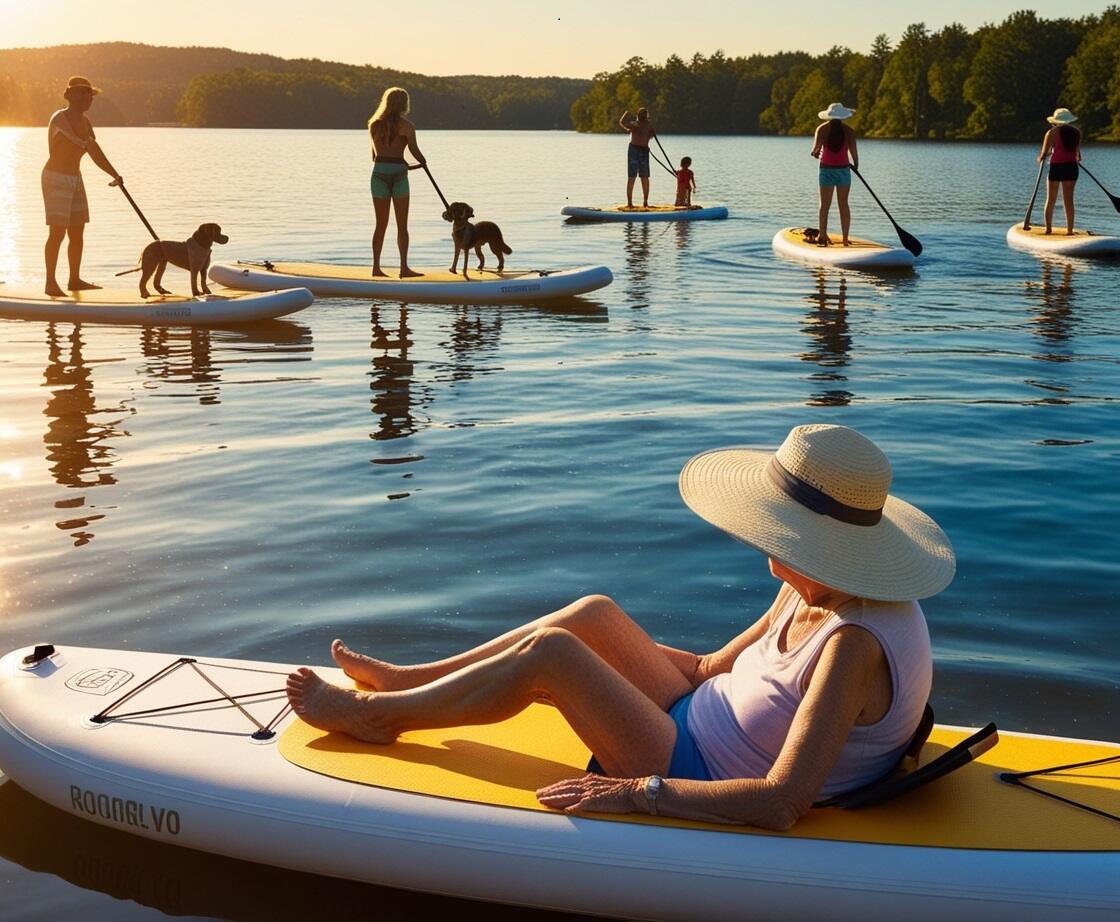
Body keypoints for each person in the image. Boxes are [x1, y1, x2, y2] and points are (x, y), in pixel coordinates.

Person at [287, 423, 955, 831]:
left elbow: (783, 802)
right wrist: (607, 651)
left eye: (779, 529)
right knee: (591, 614)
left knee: (553, 655)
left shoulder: (854, 644)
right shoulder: (822, 586)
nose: (766, 545)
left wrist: (638, 792)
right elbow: (710, 669)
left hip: (695, 766)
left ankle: (382, 718)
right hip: (694, 710)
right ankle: (414, 680)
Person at [42, 76, 122, 296]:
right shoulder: (60, 118)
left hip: (75, 179)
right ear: (69, 95)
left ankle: (74, 280)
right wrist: (92, 147)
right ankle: (50, 282)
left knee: (77, 232)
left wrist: (116, 175)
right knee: (57, 232)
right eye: (81, 93)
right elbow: (86, 144)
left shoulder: (86, 123)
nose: (87, 98)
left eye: (89, 94)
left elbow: (95, 151)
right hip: (55, 178)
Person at [368, 87, 427, 278]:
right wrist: (424, 162)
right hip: (399, 176)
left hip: (378, 174)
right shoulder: (407, 126)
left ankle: (376, 268)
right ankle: (404, 268)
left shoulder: (374, 125)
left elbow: (374, 156)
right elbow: (414, 151)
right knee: (402, 225)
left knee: (381, 224)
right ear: (404, 104)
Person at [811, 103, 859, 247]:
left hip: (826, 171)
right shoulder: (849, 131)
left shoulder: (822, 129)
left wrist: (815, 153)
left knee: (824, 205)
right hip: (843, 171)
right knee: (843, 204)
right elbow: (855, 156)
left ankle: (823, 236)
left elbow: (814, 151)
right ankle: (845, 239)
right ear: (843, 116)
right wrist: (855, 166)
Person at [1038, 108, 1082, 236]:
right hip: (1072, 168)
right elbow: (1078, 156)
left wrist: (1041, 158)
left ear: (1055, 120)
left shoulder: (1051, 133)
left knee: (1050, 199)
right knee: (1069, 200)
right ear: (1069, 120)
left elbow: (1043, 154)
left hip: (1056, 168)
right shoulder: (1077, 133)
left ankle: (1048, 229)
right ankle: (1069, 230)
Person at [618, 108, 656, 209]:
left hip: (637, 150)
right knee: (641, 177)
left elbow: (621, 122)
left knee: (637, 177)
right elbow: (651, 135)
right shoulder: (645, 125)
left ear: (638, 116)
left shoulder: (636, 125)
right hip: (638, 150)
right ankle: (642, 202)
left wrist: (626, 113)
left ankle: (637, 203)